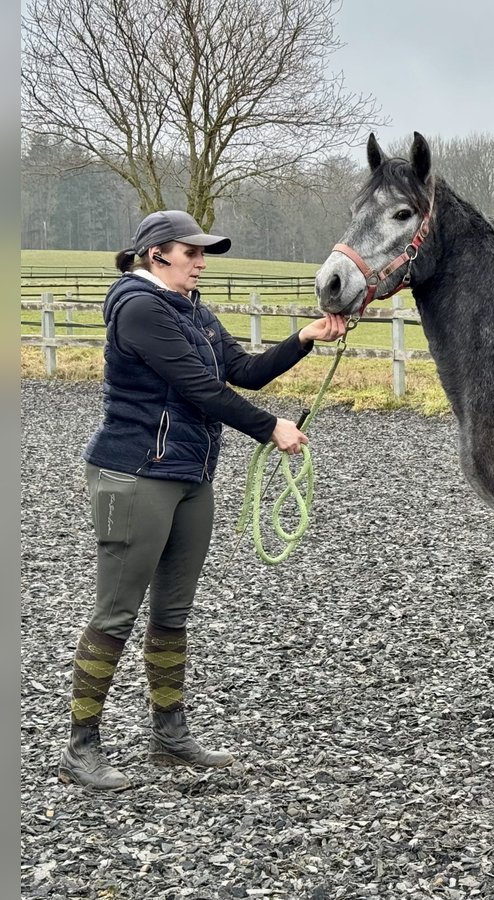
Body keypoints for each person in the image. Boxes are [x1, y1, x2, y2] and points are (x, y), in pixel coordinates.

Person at [58, 210, 348, 790]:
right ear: (157, 254)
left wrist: (303, 338)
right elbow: (201, 388)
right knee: (116, 611)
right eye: (192, 252)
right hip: (135, 472)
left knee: (172, 612)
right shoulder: (140, 308)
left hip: (191, 474)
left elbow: (242, 370)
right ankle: (81, 746)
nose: (201, 261)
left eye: (202, 252)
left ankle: (169, 734)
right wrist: (271, 429)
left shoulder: (194, 310)